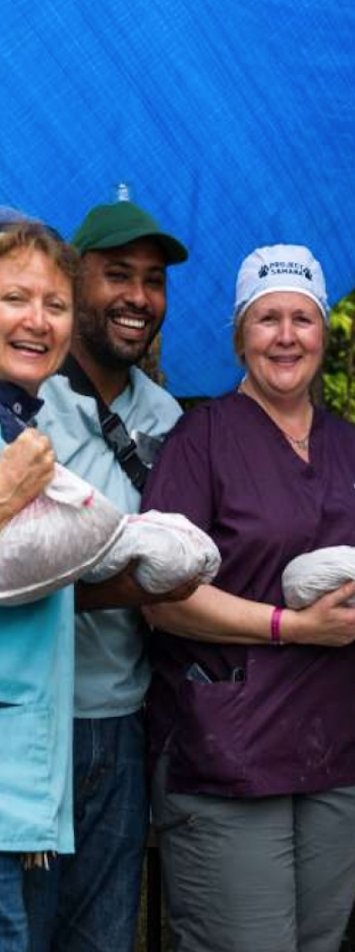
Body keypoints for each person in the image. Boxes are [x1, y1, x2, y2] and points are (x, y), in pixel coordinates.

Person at [142, 244, 355, 952]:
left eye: (302, 317)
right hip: (229, 757)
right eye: (267, 319)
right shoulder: (199, 440)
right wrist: (291, 626)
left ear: (324, 330)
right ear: (240, 335)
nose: (286, 335)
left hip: (337, 763)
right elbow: (160, 598)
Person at [24, 194, 190, 952]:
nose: (137, 297)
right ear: (74, 280)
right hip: (29, 723)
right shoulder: (27, 404)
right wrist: (138, 581)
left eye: (153, 281)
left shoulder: (169, 419)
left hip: (121, 725)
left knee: (102, 937)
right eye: (117, 274)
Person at [0, 217, 78, 951]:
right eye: (15, 297)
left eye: (56, 304)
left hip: (21, 801)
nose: (37, 320)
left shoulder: (22, 424)